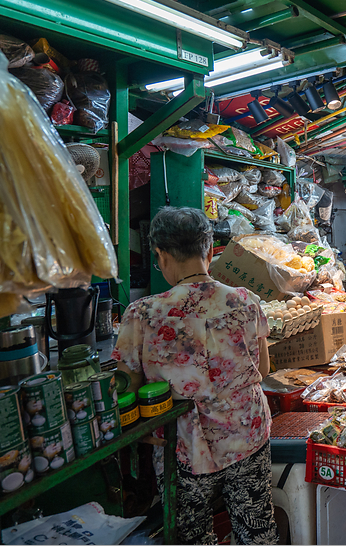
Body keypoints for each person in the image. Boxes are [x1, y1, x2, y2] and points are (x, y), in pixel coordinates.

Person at [112, 207, 277, 545]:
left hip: (183, 447)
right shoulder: (245, 301)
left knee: (193, 537)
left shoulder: (142, 314)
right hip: (246, 435)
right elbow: (263, 370)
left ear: (160, 254)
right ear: (210, 249)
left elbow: (127, 387)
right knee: (256, 529)